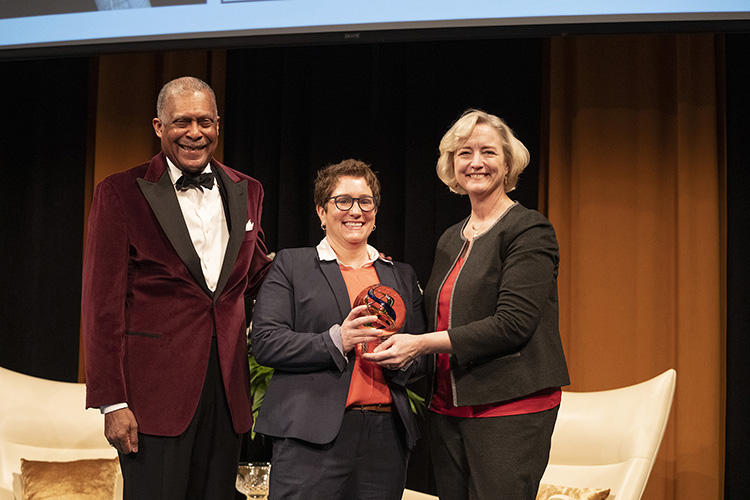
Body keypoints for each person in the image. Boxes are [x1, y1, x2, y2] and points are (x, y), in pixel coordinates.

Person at [363, 109, 570, 499]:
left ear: (508, 163)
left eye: (488, 152)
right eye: (465, 153)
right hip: (448, 408)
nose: (476, 162)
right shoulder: (450, 238)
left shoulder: (528, 229)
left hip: (510, 406)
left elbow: (513, 324)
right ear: (451, 165)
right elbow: (436, 316)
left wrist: (421, 344)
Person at [81, 76, 272, 500]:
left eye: (204, 121)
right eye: (181, 121)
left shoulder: (249, 190)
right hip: (153, 399)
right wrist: (112, 403)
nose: (194, 132)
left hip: (226, 393)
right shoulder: (120, 192)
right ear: (158, 126)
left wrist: (331, 259)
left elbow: (257, 275)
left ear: (217, 125)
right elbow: (101, 306)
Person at [250, 159, 427, 500]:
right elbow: (266, 342)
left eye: (365, 201)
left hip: (385, 439)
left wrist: (402, 357)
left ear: (375, 212)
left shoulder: (400, 275)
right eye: (343, 201)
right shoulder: (292, 265)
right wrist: (337, 340)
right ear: (321, 211)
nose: (355, 211)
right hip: (309, 438)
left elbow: (422, 356)